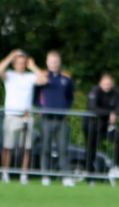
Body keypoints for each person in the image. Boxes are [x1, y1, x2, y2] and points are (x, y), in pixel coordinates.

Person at [0, 49, 44, 183]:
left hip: (27, 115)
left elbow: (44, 79)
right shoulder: (9, 75)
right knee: (8, 146)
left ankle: (24, 175)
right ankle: (5, 173)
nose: (21, 65)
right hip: (12, 115)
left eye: (23, 63)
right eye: (19, 63)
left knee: (27, 147)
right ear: (14, 64)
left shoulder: (30, 76)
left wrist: (32, 66)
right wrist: (11, 56)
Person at [36, 50, 74, 182]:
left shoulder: (66, 79)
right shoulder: (43, 78)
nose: (54, 64)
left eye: (56, 61)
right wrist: (40, 108)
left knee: (63, 148)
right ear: (47, 62)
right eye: (51, 61)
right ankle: (45, 175)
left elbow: (70, 97)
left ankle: (65, 175)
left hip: (61, 118)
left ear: (60, 62)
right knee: (45, 147)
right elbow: (35, 96)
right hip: (46, 118)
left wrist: (65, 109)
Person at [84, 73, 119, 178]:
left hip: (106, 126)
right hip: (92, 124)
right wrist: (110, 113)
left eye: (109, 84)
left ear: (112, 84)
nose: (107, 86)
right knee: (91, 147)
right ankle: (89, 172)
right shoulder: (95, 91)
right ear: (100, 83)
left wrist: (115, 113)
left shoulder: (116, 93)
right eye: (105, 84)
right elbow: (93, 108)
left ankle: (115, 167)